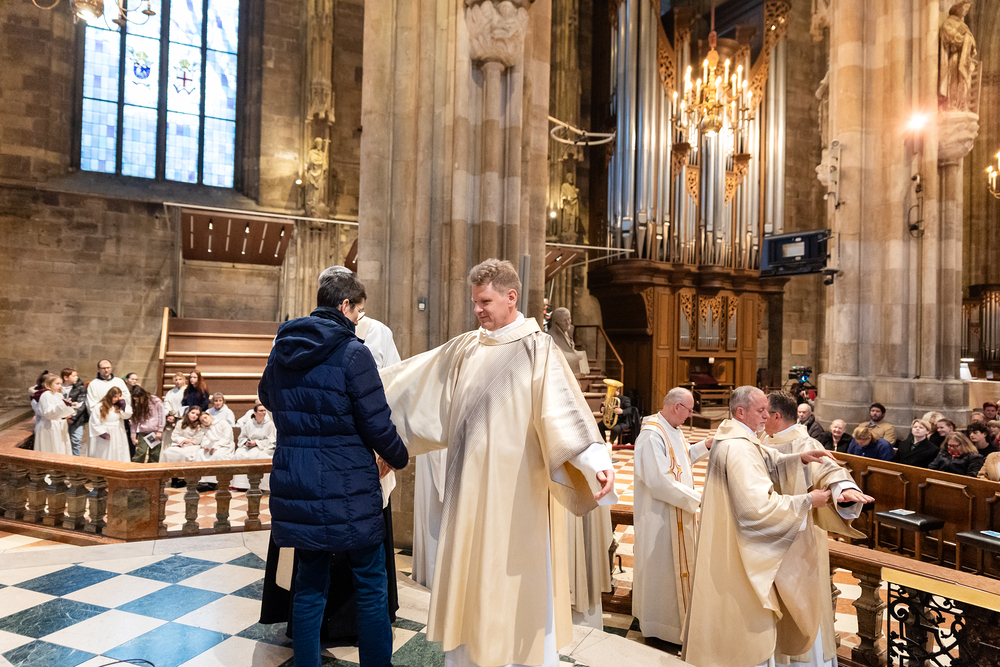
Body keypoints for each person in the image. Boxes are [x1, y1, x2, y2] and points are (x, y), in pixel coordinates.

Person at [378, 259, 617, 667]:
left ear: (511, 297)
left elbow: (563, 413)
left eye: (485, 301)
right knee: (471, 581)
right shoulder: (467, 348)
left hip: (516, 498)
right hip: (468, 494)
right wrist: (369, 416)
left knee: (511, 584)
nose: (477, 310)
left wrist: (594, 460)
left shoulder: (538, 349)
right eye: (474, 302)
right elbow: (413, 383)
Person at [258, 267, 409, 667]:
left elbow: (267, 396)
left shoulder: (284, 345)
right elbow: (377, 422)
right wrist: (399, 457)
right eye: (358, 311)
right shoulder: (353, 352)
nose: (359, 319)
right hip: (349, 485)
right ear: (344, 306)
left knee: (309, 585)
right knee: (371, 584)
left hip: (299, 480)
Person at [681, 387, 870, 667]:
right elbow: (756, 508)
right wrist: (809, 500)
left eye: (767, 411)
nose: (765, 416)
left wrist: (826, 477)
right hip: (756, 540)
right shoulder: (739, 447)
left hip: (769, 541)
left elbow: (786, 463)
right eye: (760, 411)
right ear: (741, 412)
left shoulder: (739, 438)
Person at [759, 391, 867, 667]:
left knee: (801, 602)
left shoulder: (805, 442)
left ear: (776, 416)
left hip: (799, 540)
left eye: (764, 412)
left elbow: (830, 470)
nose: (760, 417)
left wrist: (843, 488)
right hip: (766, 534)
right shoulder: (763, 439)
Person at [633, 387, 711, 645]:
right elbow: (659, 481)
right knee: (661, 574)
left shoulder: (671, 429)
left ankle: (675, 624)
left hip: (675, 513)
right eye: (689, 410)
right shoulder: (651, 435)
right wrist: (698, 499)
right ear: (677, 407)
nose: (690, 416)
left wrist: (705, 446)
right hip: (660, 518)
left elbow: (681, 459)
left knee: (671, 574)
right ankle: (658, 628)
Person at [86, 360, 131, 445]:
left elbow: (126, 398)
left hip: (117, 420)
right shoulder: (93, 384)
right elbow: (91, 403)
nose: (106, 370)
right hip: (102, 421)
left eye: (108, 368)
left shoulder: (119, 382)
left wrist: (121, 406)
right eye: (103, 368)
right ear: (98, 369)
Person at [232, 403, 277, 490]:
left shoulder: (270, 424)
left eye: (264, 410)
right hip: (248, 446)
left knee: (253, 456)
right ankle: (241, 485)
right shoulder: (249, 423)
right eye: (261, 411)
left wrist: (256, 443)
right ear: (255, 413)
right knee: (238, 454)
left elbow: (271, 440)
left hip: (262, 447)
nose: (263, 412)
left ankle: (256, 485)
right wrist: (246, 442)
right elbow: (242, 437)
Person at [163, 406, 206, 486]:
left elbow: (197, 440)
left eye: (197, 414)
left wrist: (187, 442)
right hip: (179, 444)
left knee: (184, 454)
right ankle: (174, 477)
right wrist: (184, 440)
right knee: (168, 452)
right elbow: (174, 435)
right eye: (192, 413)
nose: (194, 416)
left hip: (192, 446)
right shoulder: (180, 422)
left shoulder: (200, 426)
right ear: (188, 413)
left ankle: (183, 478)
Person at [34, 374, 76, 456]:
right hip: (48, 425)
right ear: (49, 384)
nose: (60, 386)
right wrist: (63, 406)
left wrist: (67, 411)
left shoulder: (58, 395)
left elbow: (60, 410)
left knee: (60, 448)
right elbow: (48, 413)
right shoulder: (46, 395)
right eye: (57, 384)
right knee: (50, 449)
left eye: (61, 384)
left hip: (59, 425)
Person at [195, 412, 236, 492]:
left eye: (205, 418)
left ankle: (213, 482)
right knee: (200, 454)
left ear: (210, 416)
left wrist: (216, 446)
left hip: (224, 446)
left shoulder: (222, 423)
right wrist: (206, 445)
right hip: (211, 446)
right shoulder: (205, 427)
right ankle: (202, 481)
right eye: (202, 421)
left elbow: (227, 437)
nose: (205, 421)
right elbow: (205, 438)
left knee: (217, 455)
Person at [89, 387, 132, 462]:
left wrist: (123, 407)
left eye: (118, 397)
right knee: (105, 453)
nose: (116, 399)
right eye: (114, 396)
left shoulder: (118, 406)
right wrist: (102, 433)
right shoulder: (100, 406)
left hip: (118, 432)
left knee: (119, 451)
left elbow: (126, 416)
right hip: (106, 431)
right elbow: (94, 421)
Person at [130, 385, 165, 463]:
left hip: (154, 432)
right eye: (135, 400)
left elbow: (161, 416)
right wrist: (133, 436)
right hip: (143, 431)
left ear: (143, 395)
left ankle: (152, 470)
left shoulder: (155, 401)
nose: (137, 401)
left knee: (154, 454)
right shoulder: (136, 404)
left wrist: (160, 431)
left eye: (138, 399)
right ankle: (135, 469)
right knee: (141, 452)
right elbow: (134, 421)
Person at [60, 368, 88, 456]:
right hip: (61, 418)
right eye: (74, 376)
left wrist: (72, 418)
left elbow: (82, 404)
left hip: (77, 419)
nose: (77, 377)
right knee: (63, 440)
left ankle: (76, 459)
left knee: (76, 440)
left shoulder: (81, 388)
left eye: (76, 375)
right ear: (66, 377)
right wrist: (64, 417)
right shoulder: (58, 388)